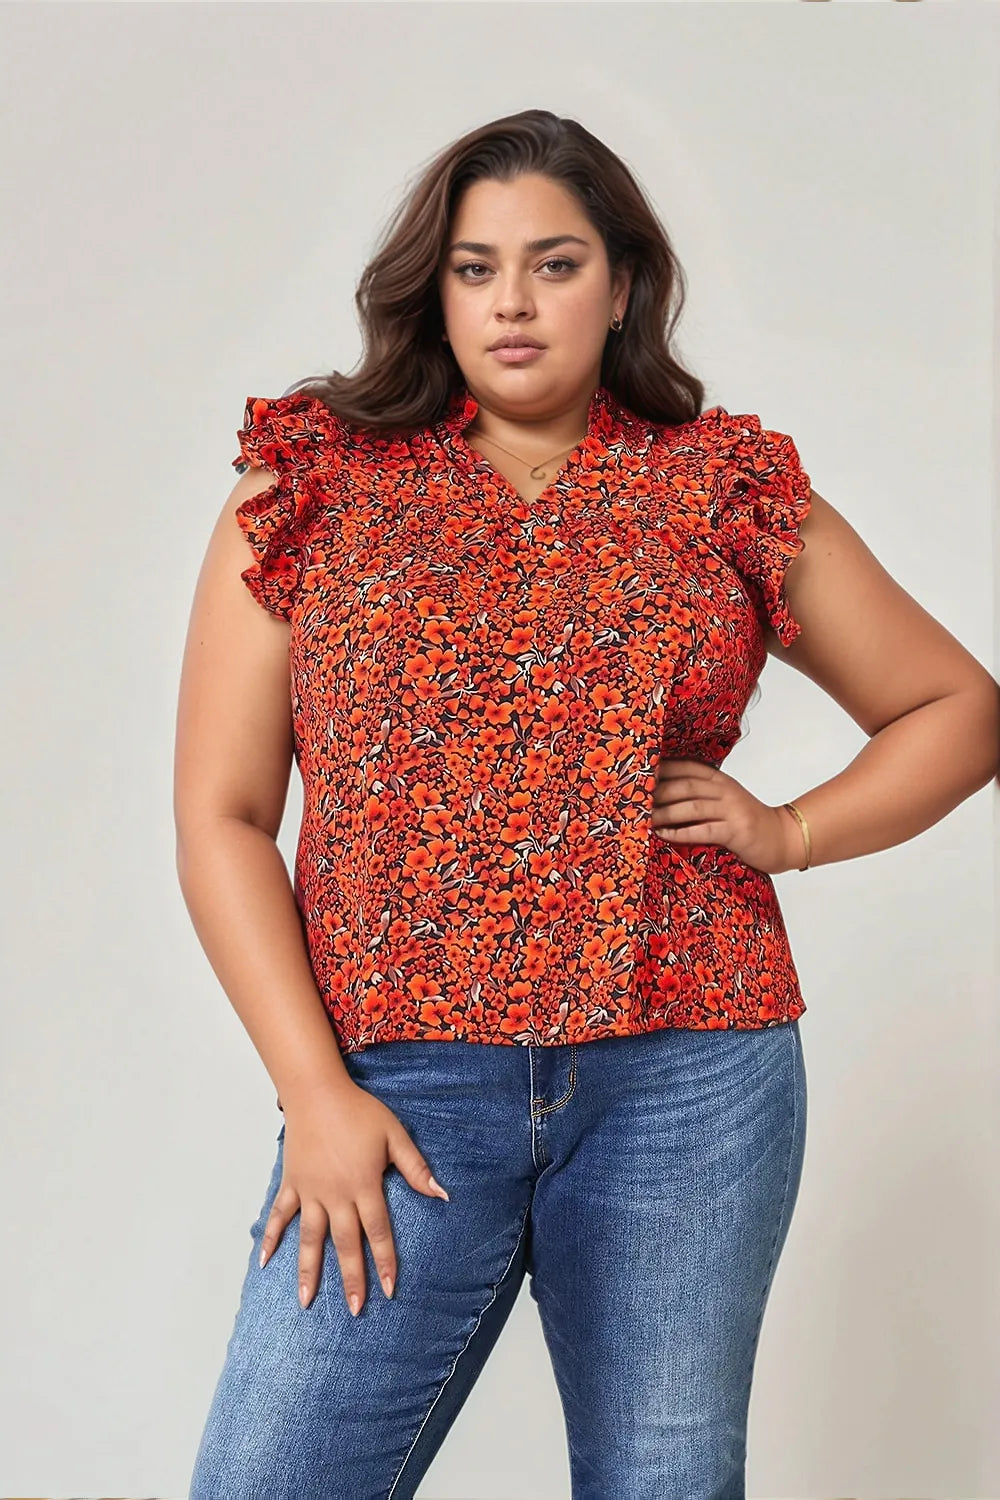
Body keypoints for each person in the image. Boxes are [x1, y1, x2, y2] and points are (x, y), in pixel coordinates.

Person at [175, 109, 1000, 1500]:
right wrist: (314, 1092)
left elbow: (956, 707)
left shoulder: (722, 489)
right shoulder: (314, 487)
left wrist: (791, 831)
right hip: (398, 1082)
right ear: (435, 290)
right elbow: (224, 815)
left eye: (554, 264)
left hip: (690, 1072)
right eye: (476, 267)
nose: (512, 300)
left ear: (620, 285)